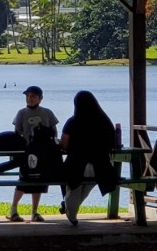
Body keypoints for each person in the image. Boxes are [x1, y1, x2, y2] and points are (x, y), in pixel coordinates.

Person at [58, 90, 119, 226]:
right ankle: (69, 209)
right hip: (100, 167)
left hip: (76, 164)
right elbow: (113, 143)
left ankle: (71, 214)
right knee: (85, 188)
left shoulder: (73, 122)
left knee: (73, 189)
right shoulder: (105, 121)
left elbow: (64, 144)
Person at [8, 85, 58, 222]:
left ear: (40, 99)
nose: (30, 99)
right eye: (28, 96)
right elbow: (17, 133)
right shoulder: (21, 113)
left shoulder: (47, 113)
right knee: (23, 181)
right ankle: (13, 210)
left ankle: (35, 212)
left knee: (39, 182)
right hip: (27, 152)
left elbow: (54, 130)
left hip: (43, 153)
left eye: (33, 96)